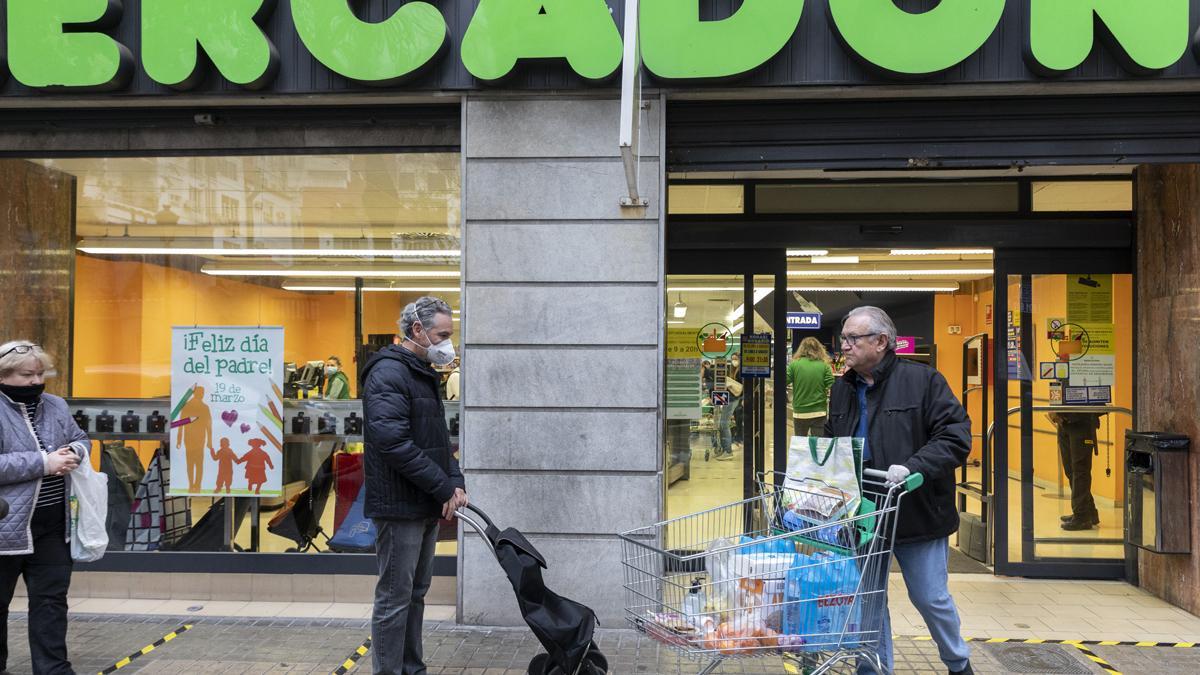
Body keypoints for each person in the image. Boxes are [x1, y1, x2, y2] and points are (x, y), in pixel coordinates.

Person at [823, 308, 973, 675]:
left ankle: (958, 663)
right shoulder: (842, 388)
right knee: (868, 601)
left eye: (853, 338)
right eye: (843, 339)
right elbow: (831, 440)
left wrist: (913, 467)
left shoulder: (923, 381)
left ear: (881, 341)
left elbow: (956, 436)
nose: (845, 346)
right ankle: (872, 668)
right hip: (863, 515)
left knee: (930, 597)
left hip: (915, 511)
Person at [362, 296, 467, 675]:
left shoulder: (421, 372)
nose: (447, 344)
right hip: (399, 505)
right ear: (417, 331)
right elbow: (393, 442)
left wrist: (454, 481)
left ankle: (412, 668)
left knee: (415, 595)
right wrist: (442, 487)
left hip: (422, 503)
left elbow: (436, 439)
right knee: (395, 598)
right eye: (441, 335)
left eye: (449, 335)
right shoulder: (389, 373)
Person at [0, 341, 90, 674]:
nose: (36, 381)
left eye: (40, 373)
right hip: (5, 526)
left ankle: (53, 669)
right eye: (27, 375)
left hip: (53, 526)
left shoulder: (55, 405)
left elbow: (80, 437)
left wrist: (76, 452)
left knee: (51, 603)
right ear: (4, 374)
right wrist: (44, 462)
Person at [1048, 411, 1103, 530]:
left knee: (1080, 470)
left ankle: (1082, 516)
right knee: (1070, 471)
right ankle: (1089, 511)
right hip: (1064, 423)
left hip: (1081, 422)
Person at [787, 337, 835, 438]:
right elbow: (832, 385)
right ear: (819, 349)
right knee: (819, 446)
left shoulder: (794, 365)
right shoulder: (824, 366)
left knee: (801, 445)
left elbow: (784, 381)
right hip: (819, 411)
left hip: (800, 412)